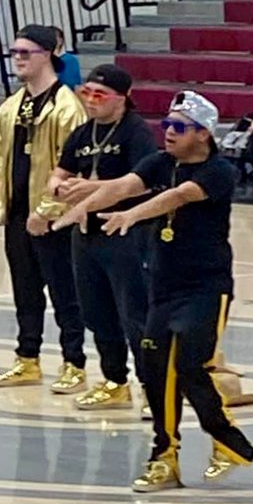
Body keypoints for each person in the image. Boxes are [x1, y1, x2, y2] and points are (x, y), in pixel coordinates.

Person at [54, 92, 253, 491]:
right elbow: (126, 185)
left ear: (203, 134)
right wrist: (86, 207)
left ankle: (225, 437)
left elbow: (177, 196)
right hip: (162, 285)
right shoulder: (160, 162)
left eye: (178, 127)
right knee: (157, 373)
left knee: (193, 368)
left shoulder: (219, 171)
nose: (168, 133)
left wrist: (131, 215)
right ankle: (164, 457)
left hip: (205, 287)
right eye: (166, 125)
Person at [0, 24, 87, 394]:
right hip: (18, 212)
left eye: (26, 52)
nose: (19, 59)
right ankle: (27, 358)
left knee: (64, 292)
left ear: (48, 55)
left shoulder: (67, 108)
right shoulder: (12, 106)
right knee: (24, 290)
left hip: (54, 220)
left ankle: (74, 362)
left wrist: (48, 210)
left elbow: (71, 166)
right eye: (15, 53)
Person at [47, 64, 157, 410]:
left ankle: (151, 388)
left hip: (125, 232)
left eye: (100, 95)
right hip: (85, 232)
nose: (92, 101)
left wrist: (91, 187)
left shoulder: (136, 133)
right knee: (96, 311)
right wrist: (58, 187)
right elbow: (60, 170)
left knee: (134, 314)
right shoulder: (82, 133)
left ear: (122, 98)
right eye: (87, 93)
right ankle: (114, 380)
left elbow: (142, 181)